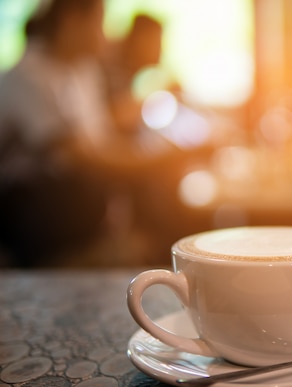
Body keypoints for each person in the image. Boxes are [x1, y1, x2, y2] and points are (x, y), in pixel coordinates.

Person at [0, 0, 174, 266]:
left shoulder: (83, 71)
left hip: (80, 204)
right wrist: (154, 160)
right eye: (100, 22)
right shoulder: (27, 75)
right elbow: (76, 157)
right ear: (72, 20)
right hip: (35, 211)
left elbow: (102, 141)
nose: (106, 34)